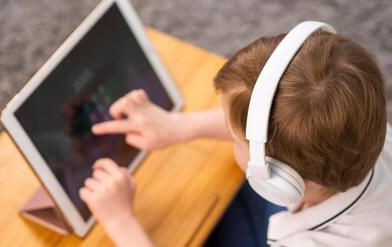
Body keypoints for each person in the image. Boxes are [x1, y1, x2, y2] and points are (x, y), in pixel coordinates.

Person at [78, 24, 392, 246]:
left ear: (280, 180)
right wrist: (179, 127)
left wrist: (122, 223)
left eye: (234, 133)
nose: (230, 135)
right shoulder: (365, 128)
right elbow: (269, 128)